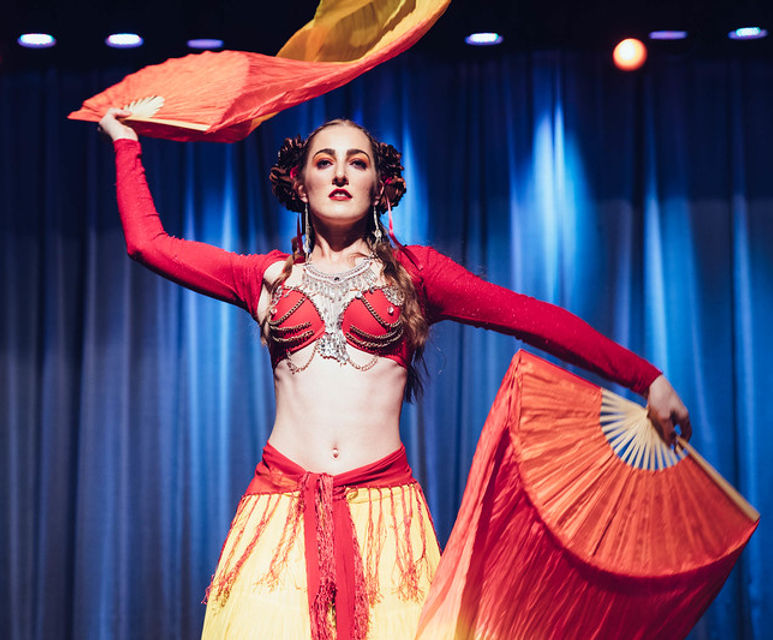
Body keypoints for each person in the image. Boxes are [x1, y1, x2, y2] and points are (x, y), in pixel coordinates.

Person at [98, 108, 691, 640]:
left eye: (356, 163)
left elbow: (533, 318)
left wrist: (645, 378)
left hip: (384, 514)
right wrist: (126, 142)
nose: (339, 174)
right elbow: (149, 244)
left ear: (379, 187)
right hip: (279, 508)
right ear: (300, 184)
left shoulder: (417, 274)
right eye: (324, 162)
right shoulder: (266, 278)